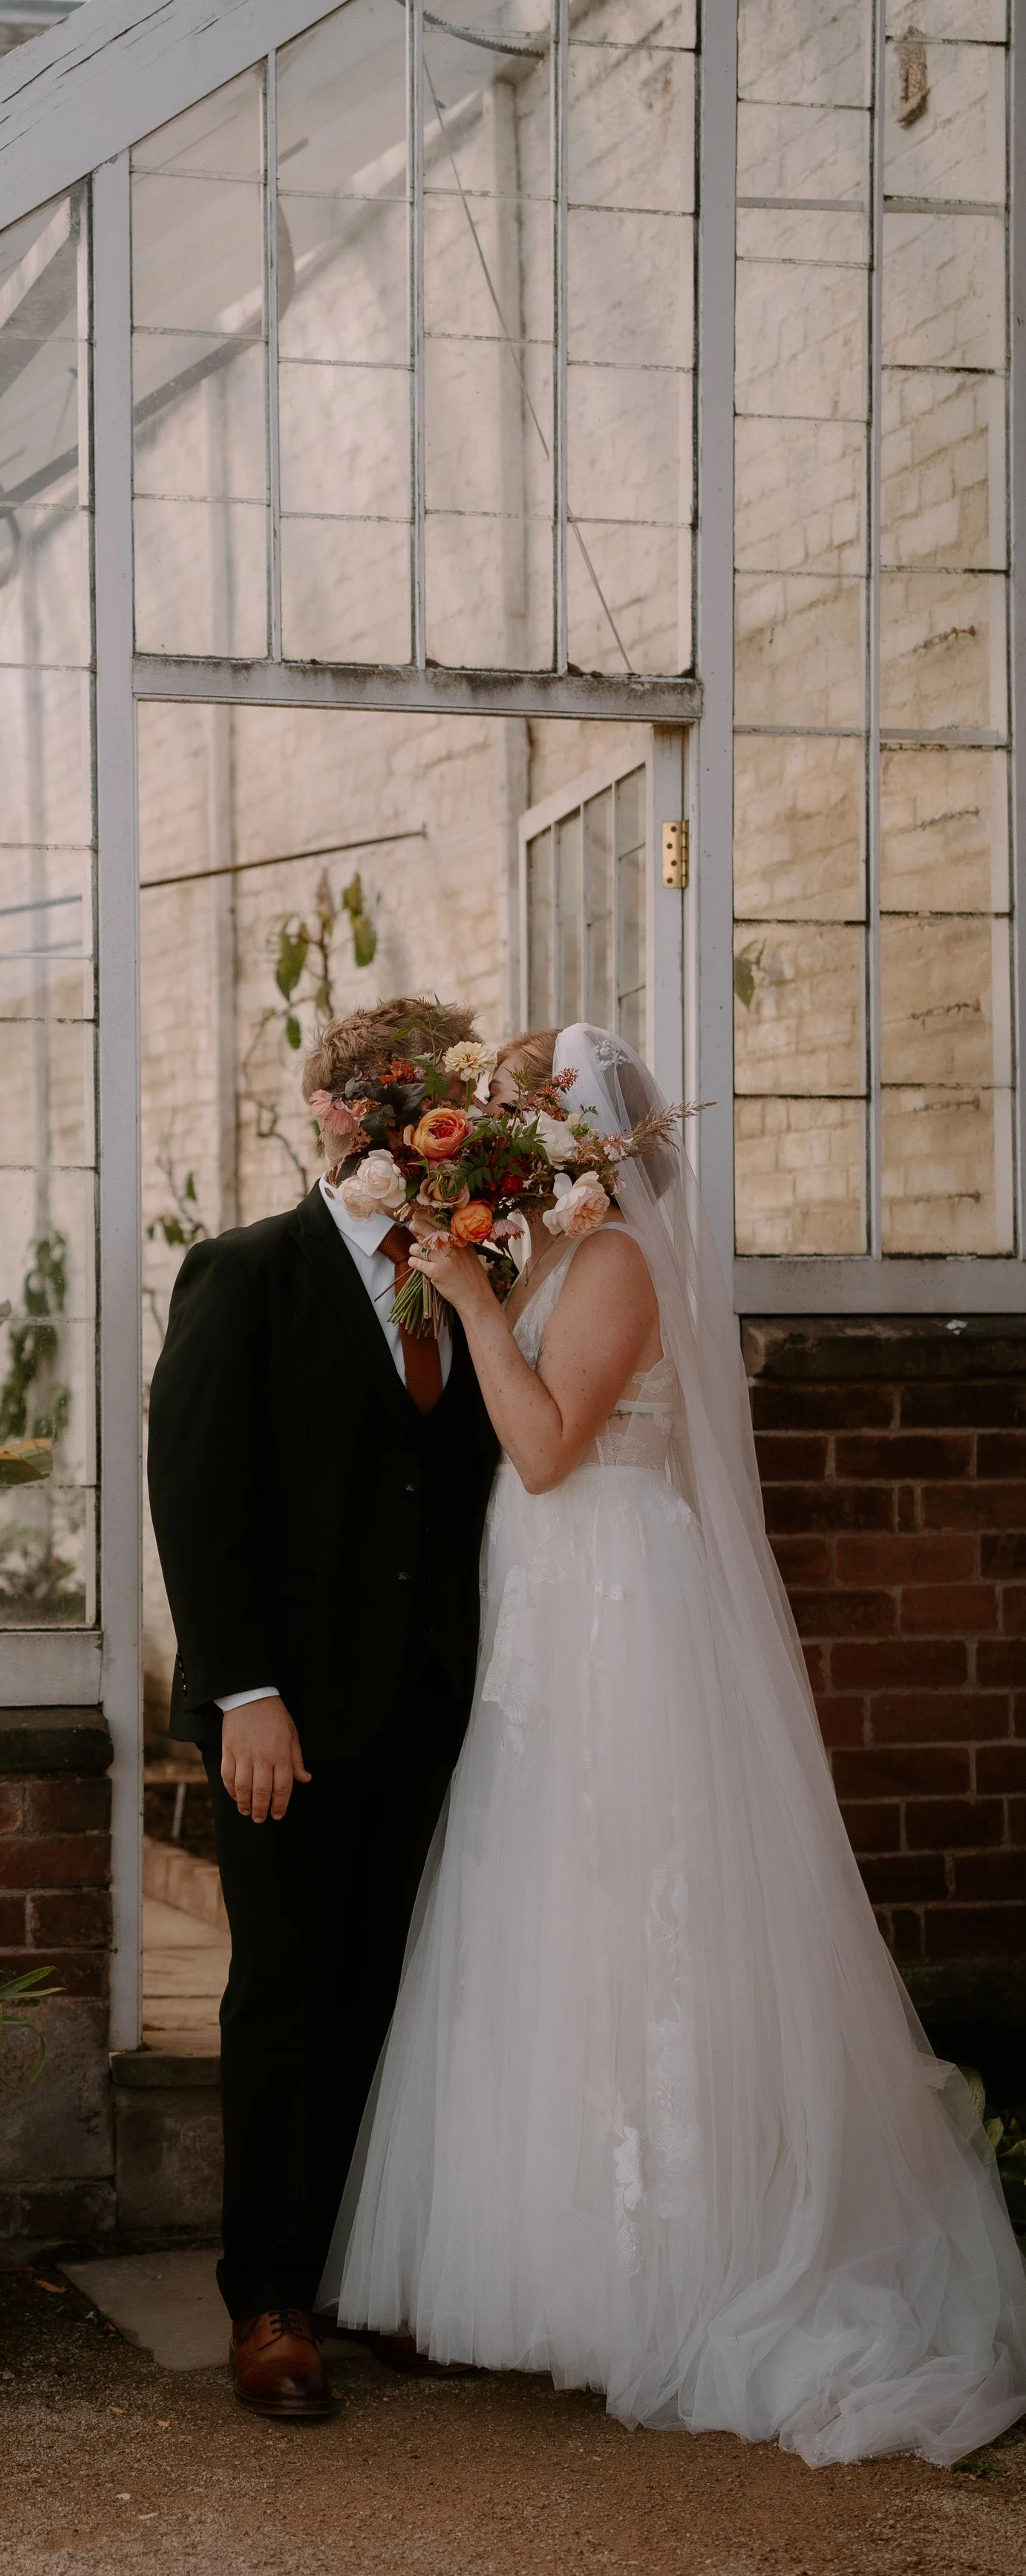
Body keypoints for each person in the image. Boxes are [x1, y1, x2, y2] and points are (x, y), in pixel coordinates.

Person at [324, 1020, 1026, 2465]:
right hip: (541, 1600)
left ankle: (660, 2267)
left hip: (606, 1604)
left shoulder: (621, 1265)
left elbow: (541, 1445)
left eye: (520, 1123)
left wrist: (464, 1296)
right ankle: (559, 2265)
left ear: (577, 1137)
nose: (504, 1149)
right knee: (542, 1918)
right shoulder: (560, 1255)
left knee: (624, 1910)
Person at [146, 997, 501, 2421]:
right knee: (285, 1998)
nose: (445, 1148)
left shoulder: (471, 1279)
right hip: (282, 1718)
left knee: (396, 1996)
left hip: (430, 1708)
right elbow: (198, 1500)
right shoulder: (246, 1275)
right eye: (422, 1115)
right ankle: (271, 2301)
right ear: (349, 1119)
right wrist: (246, 1691)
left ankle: (371, 2276)